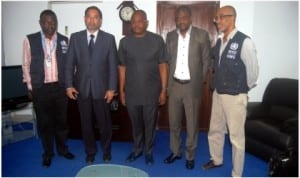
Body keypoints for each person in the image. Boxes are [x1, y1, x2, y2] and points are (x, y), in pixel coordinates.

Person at [202, 5, 259, 177]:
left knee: (236, 138)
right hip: (218, 93)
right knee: (215, 130)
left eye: (220, 17)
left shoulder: (245, 41)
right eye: (216, 18)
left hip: (235, 97)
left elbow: (253, 72)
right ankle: (217, 159)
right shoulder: (220, 41)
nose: (216, 21)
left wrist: (242, 89)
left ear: (232, 18)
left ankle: (236, 173)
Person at [65, 6, 118, 164]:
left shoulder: (109, 39)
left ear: (100, 20)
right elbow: (69, 64)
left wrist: (111, 89)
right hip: (81, 89)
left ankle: (106, 151)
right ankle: (90, 152)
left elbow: (112, 66)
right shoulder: (75, 38)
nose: (92, 20)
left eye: (96, 17)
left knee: (105, 124)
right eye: (89, 16)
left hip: (102, 90)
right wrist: (68, 85)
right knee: (86, 124)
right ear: (84, 18)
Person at [22, 9, 74, 168]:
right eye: (46, 22)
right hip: (41, 88)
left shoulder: (65, 40)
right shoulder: (30, 40)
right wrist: (30, 87)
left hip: (60, 87)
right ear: (40, 23)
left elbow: (69, 65)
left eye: (53, 22)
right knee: (45, 123)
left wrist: (68, 84)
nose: (50, 25)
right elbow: (25, 64)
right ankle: (48, 153)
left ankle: (63, 149)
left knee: (61, 122)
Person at [163, 5, 211, 170]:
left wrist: (200, 81)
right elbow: (168, 62)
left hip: (192, 87)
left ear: (190, 19)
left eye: (183, 17)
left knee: (192, 124)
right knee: (174, 123)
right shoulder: (170, 36)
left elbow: (207, 62)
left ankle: (190, 155)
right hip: (174, 85)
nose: (180, 20)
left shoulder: (202, 35)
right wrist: (167, 86)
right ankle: (175, 151)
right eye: (177, 18)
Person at [118, 10, 168, 166]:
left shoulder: (157, 40)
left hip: (151, 93)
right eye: (133, 21)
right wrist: (121, 90)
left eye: (139, 21)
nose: (136, 24)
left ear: (146, 22)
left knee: (150, 124)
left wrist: (163, 90)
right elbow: (122, 68)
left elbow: (163, 66)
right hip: (132, 92)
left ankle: (148, 151)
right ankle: (137, 149)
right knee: (136, 124)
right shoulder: (124, 42)